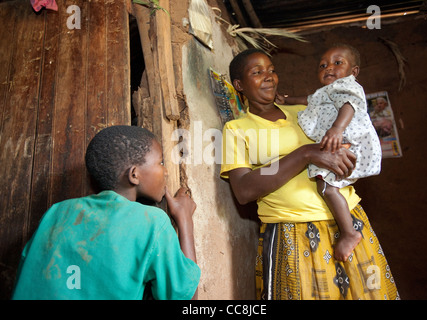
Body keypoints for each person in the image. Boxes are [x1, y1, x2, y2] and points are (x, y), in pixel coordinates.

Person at [221, 48, 399, 300]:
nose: (269, 76)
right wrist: (305, 154)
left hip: (347, 221)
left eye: (272, 70)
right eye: (257, 72)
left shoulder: (305, 111)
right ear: (239, 84)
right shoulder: (238, 129)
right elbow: (245, 189)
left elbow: (349, 119)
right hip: (293, 232)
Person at [12, 125, 200, 300]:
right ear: (134, 175)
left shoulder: (55, 213)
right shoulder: (152, 222)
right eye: (161, 162)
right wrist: (184, 220)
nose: (166, 172)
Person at [277, 44, 382, 261]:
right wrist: (287, 100)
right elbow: (308, 100)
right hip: (340, 143)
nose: (329, 68)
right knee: (326, 185)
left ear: (353, 72)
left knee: (327, 187)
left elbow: (349, 105)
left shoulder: (347, 86)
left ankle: (349, 233)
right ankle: (348, 231)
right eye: (323, 65)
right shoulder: (326, 92)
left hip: (347, 143)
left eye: (337, 63)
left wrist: (337, 129)